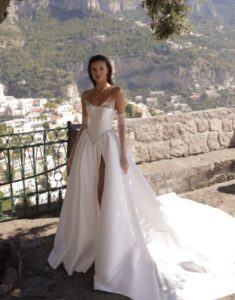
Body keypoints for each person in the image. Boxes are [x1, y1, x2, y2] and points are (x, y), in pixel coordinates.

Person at [48, 55, 235, 300]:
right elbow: (84, 125)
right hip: (86, 147)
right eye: (94, 69)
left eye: (101, 69)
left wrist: (123, 154)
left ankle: (109, 246)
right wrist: (72, 156)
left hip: (107, 146)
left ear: (108, 70)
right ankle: (88, 241)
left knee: (105, 193)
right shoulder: (85, 95)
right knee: (87, 193)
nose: (97, 73)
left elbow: (122, 125)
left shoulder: (116, 93)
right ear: (90, 71)